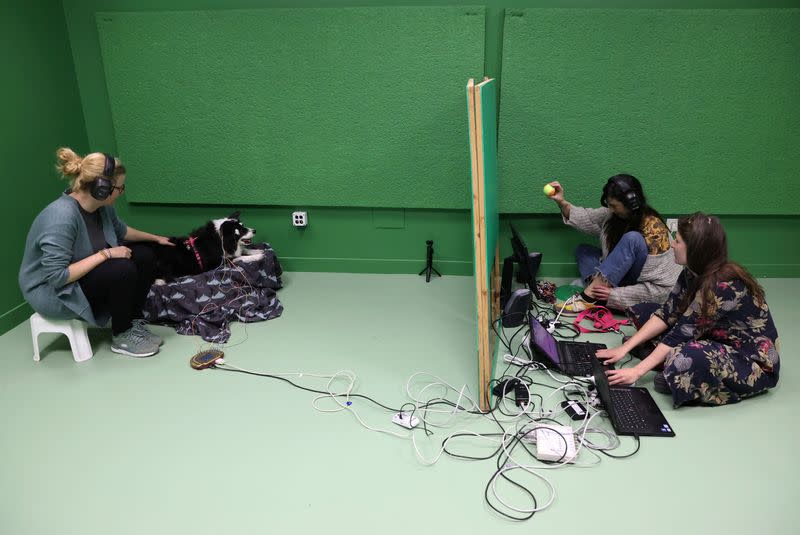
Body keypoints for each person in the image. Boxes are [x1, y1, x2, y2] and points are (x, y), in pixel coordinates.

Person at [596, 213, 780, 407]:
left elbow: (681, 333)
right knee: (643, 312)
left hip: (749, 361)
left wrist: (637, 372)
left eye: (677, 241)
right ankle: (667, 362)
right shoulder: (691, 270)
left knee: (689, 354)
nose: (672, 245)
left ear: (695, 249)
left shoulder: (722, 286)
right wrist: (623, 349)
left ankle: (676, 370)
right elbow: (668, 313)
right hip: (712, 335)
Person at [19, 148, 174, 358]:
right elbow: (56, 277)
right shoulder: (60, 217)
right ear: (102, 189)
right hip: (52, 292)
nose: (122, 192)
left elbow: (122, 231)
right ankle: (122, 335)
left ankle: (132, 322)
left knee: (144, 256)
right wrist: (106, 254)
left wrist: (155, 238)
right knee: (122, 268)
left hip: (79, 275)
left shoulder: (102, 207)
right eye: (120, 188)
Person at [547, 174, 681, 312]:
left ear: (631, 203)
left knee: (632, 239)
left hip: (636, 286)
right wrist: (561, 202)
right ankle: (599, 288)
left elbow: (662, 290)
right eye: (609, 205)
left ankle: (590, 297)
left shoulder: (655, 231)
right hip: (616, 275)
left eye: (614, 206)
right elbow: (586, 217)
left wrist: (616, 295)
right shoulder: (614, 215)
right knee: (584, 251)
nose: (610, 209)